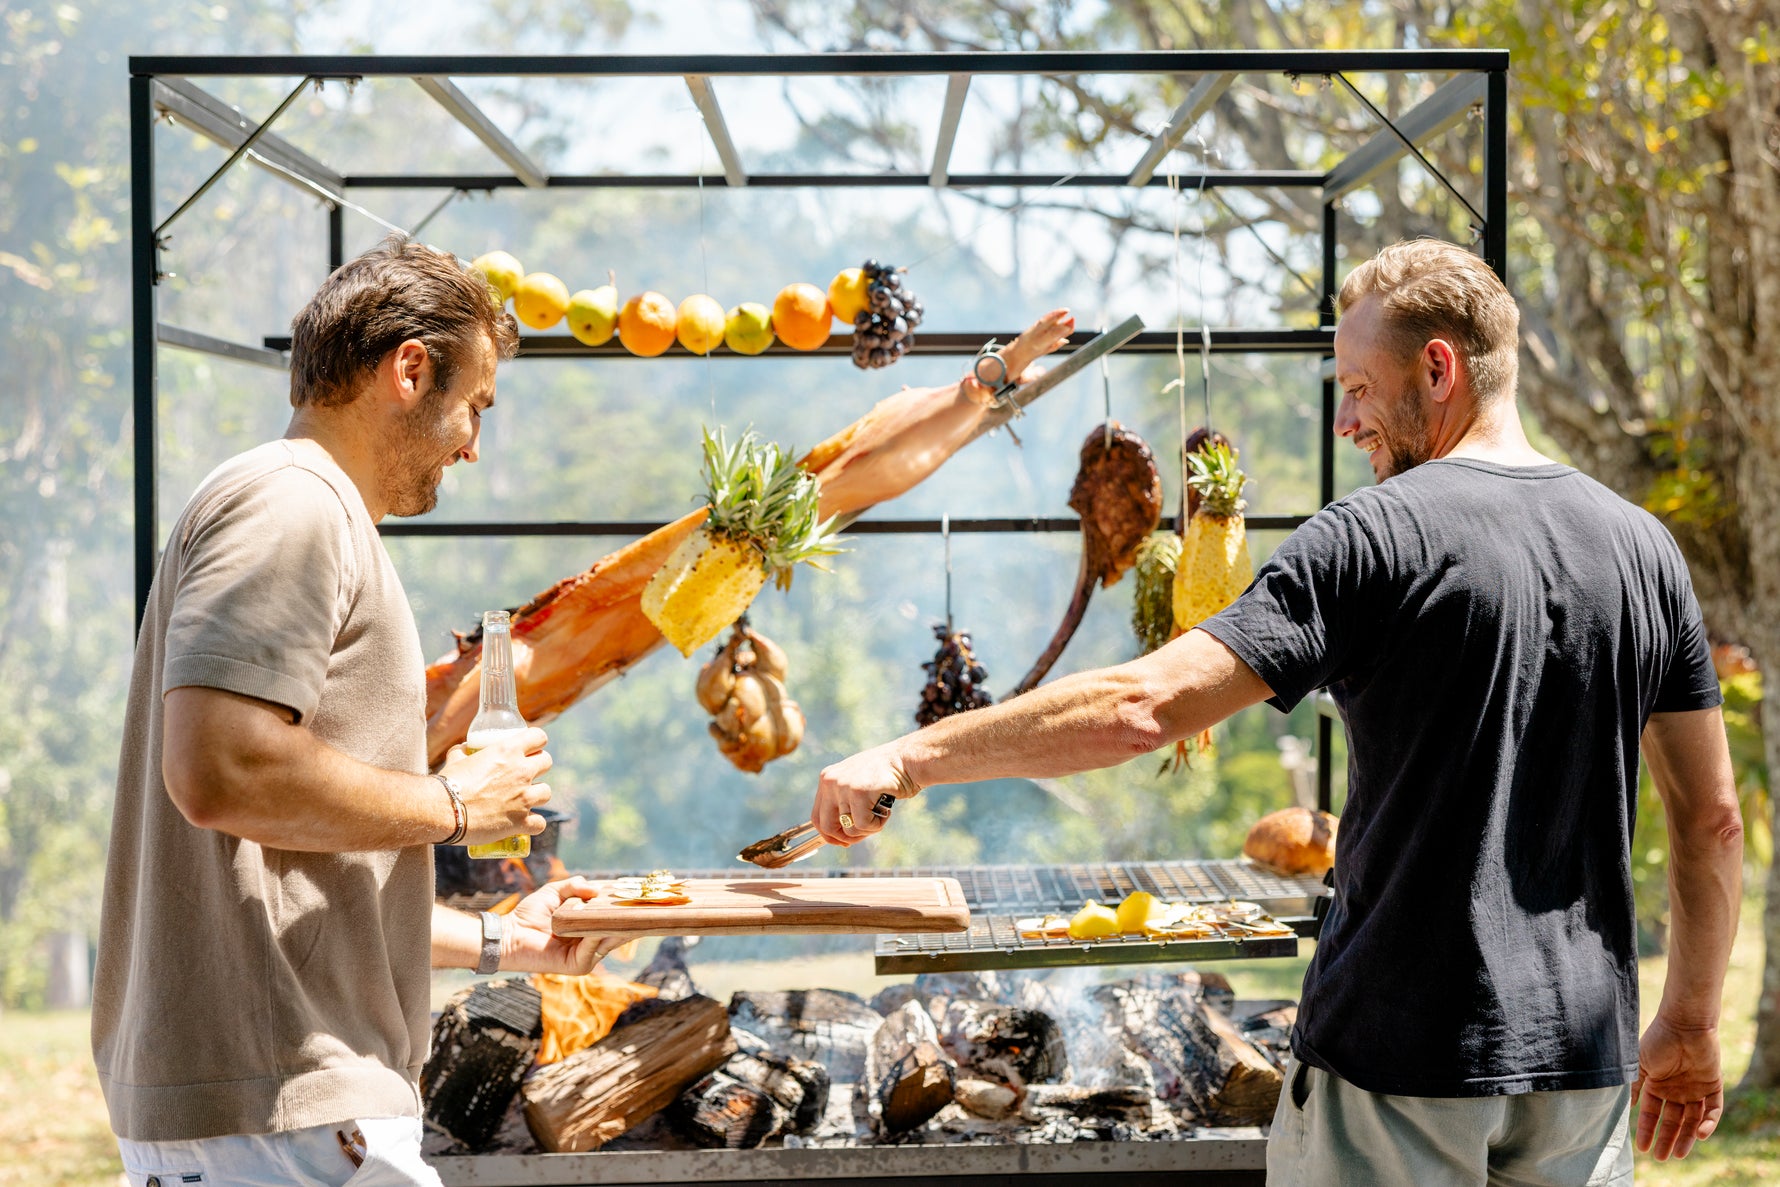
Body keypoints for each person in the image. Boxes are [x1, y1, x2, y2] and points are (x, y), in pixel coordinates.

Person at [810, 239, 1742, 1184]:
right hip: (1580, 1069)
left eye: (1359, 388)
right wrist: (1692, 1019)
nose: (1345, 420)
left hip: (1395, 1065)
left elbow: (1140, 707)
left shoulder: (1375, 536)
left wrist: (909, 757)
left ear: (1438, 368)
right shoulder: (1644, 550)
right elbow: (1711, 820)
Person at [93, 236, 620, 1186]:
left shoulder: (299, 507)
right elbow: (219, 769)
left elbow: (302, 863)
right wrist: (457, 805)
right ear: (409, 371)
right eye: (476, 405)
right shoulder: (293, 506)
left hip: (281, 1108)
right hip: (286, 1112)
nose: (473, 442)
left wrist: (507, 940)